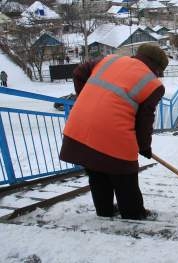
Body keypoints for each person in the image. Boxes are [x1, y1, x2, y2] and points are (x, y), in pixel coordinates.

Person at [59, 43, 169, 219]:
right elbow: (144, 122)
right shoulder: (153, 84)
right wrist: (144, 147)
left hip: (78, 128)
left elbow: (79, 72)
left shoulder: (109, 60)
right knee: (125, 178)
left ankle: (104, 211)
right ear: (156, 67)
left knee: (96, 173)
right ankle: (133, 215)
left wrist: (86, 98)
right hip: (113, 136)